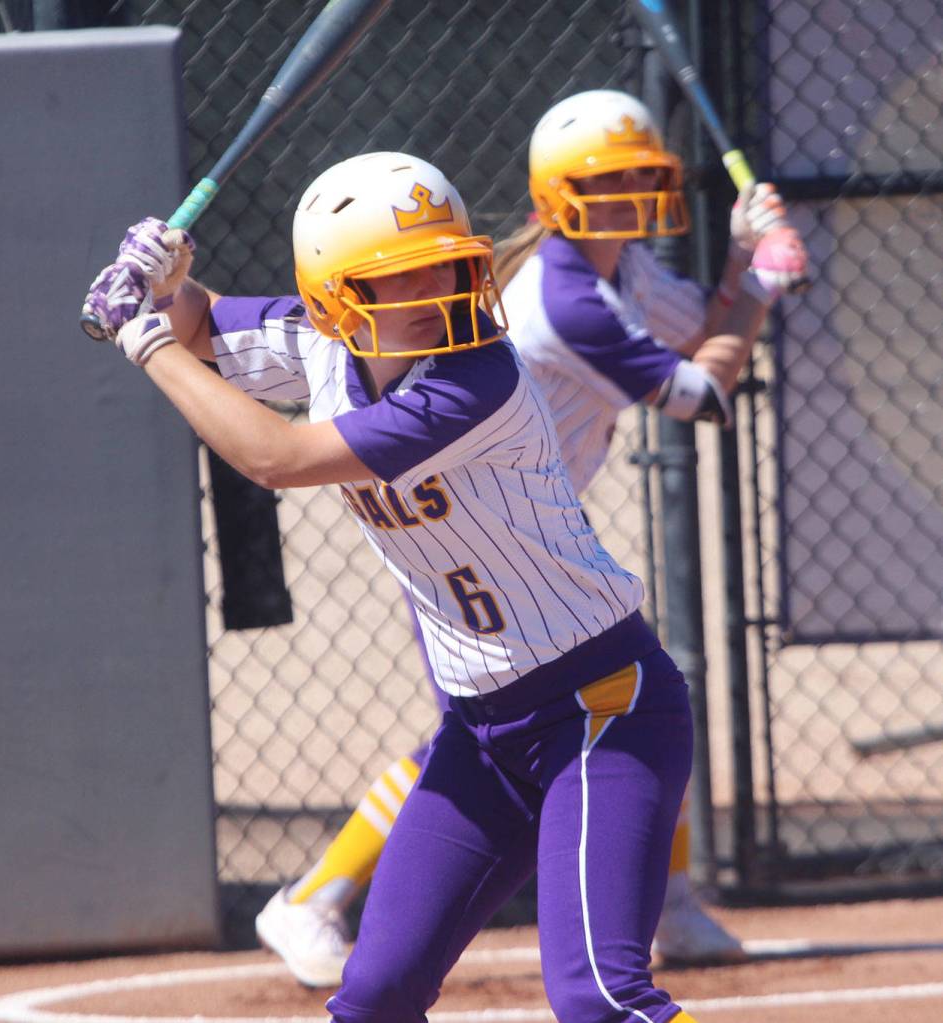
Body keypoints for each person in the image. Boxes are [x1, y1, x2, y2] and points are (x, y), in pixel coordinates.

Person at [82, 149, 780, 1022]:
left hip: (602, 705)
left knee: (599, 997)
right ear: (339, 299)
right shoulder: (323, 343)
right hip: (482, 731)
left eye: (447, 263)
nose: (438, 288)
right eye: (401, 277)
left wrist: (142, 335)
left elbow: (275, 456)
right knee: (375, 996)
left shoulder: (473, 378)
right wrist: (167, 285)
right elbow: (207, 326)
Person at [246, 91, 807, 983]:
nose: (627, 196)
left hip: (528, 545)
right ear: (555, 195)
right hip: (472, 540)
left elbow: (701, 330)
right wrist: (765, 288)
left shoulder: (621, 272)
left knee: (561, 712)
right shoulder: (565, 297)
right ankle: (317, 894)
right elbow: (701, 393)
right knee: (485, 727)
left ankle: (667, 895)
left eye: (639, 177)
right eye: (605, 181)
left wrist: (742, 261)